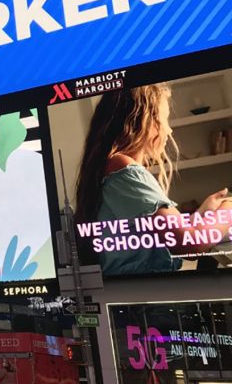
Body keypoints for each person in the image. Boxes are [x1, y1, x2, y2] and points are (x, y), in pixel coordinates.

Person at [75, 84, 232, 275]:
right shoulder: (124, 169)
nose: (169, 131)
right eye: (164, 120)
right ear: (145, 122)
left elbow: (168, 234)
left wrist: (202, 215)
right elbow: (189, 244)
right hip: (146, 302)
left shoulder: (109, 169)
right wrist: (228, 210)